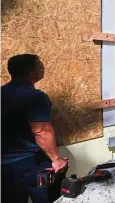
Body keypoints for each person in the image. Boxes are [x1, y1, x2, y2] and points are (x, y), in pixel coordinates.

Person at [1, 54, 68, 203]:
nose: (44, 68)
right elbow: (42, 131)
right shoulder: (35, 96)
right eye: (41, 67)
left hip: (5, 167)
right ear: (32, 74)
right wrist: (57, 160)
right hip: (31, 165)